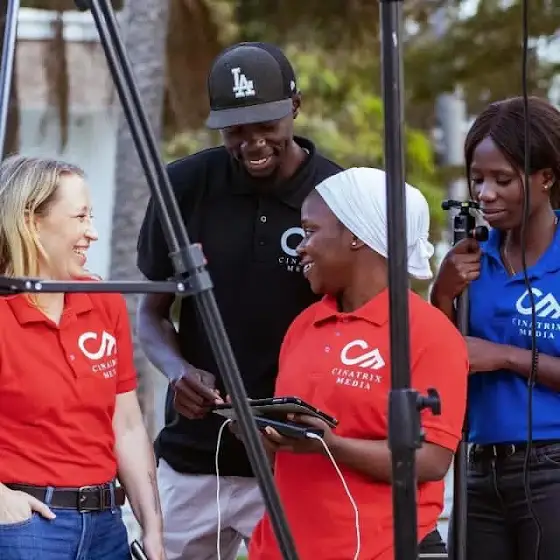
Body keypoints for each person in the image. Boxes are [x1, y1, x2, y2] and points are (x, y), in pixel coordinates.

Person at [136, 42, 343, 560]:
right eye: (234, 129)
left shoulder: (338, 194)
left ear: (295, 107)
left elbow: (360, 322)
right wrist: (177, 370)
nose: (251, 143)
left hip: (292, 457)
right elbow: (152, 314)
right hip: (192, 458)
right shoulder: (183, 185)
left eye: (265, 125)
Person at [246, 167, 469, 560]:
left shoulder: (428, 333)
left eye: (310, 231)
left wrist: (330, 445)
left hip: (380, 549)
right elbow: (283, 459)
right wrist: (263, 434)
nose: (300, 246)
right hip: (282, 548)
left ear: (355, 236)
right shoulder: (304, 324)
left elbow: (433, 460)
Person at [0, 155, 164, 560]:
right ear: (31, 221)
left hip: (107, 527)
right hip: (26, 527)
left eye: (91, 216)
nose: (92, 232)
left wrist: (154, 529)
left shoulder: (103, 300)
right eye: (79, 217)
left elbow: (126, 424)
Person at [430, 96, 560, 560]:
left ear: (546, 177)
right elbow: (441, 364)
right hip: (478, 470)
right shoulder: (470, 256)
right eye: (477, 178)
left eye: (502, 179)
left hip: (553, 469)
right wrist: (442, 294)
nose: (485, 193)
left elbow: (483, 354)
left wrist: (504, 357)